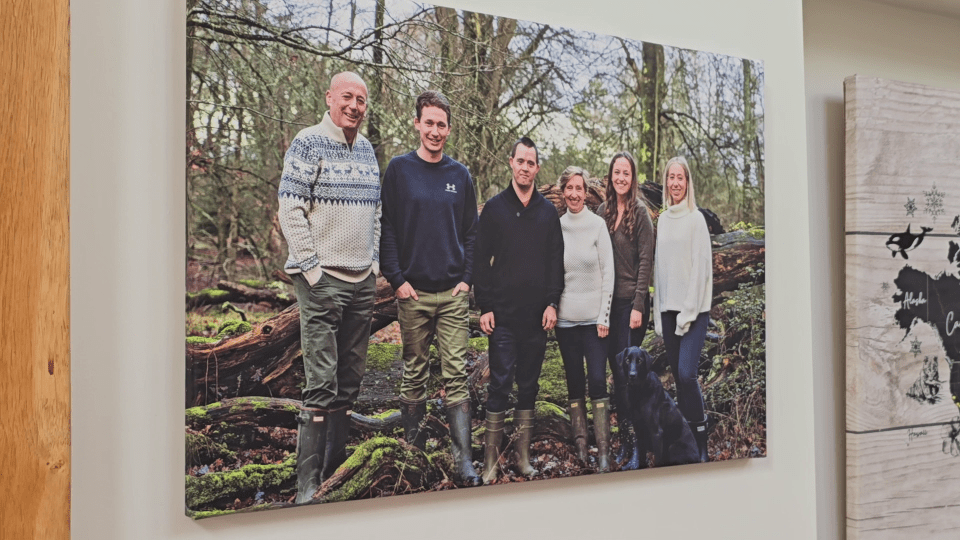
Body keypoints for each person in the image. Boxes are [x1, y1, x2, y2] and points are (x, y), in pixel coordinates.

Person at [277, 71, 381, 503]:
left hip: (361, 281)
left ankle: (336, 474)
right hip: (322, 281)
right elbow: (290, 208)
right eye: (347, 97)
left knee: (350, 380)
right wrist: (313, 272)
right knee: (320, 381)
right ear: (330, 98)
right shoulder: (307, 142)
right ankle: (307, 485)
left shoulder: (369, 150)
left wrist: (374, 263)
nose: (354, 105)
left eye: (361, 99)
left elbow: (376, 213)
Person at [379, 90, 481, 487]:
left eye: (442, 124)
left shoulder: (460, 176)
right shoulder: (400, 170)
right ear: (417, 124)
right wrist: (397, 280)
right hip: (413, 294)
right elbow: (387, 228)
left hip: (452, 294)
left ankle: (463, 461)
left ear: (448, 129)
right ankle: (413, 455)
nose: (435, 131)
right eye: (429, 123)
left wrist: (466, 280)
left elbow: (471, 233)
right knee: (414, 374)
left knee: (457, 374)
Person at [473, 137, 564, 483]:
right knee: (499, 385)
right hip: (504, 319)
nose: (525, 167)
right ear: (511, 162)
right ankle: (491, 462)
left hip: (536, 319)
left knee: (528, 386)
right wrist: (485, 306)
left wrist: (553, 302)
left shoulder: (547, 212)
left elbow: (556, 261)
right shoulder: (495, 209)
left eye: (531, 163)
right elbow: (481, 260)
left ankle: (523, 457)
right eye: (520, 161)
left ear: (537, 168)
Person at [595, 151, 655, 470]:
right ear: (610, 176)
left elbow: (646, 261)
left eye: (626, 173)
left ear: (632, 178)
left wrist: (638, 305)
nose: (621, 177)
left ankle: (638, 449)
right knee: (616, 380)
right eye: (616, 172)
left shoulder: (641, 213)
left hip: (631, 306)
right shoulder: (602, 211)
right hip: (607, 305)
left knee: (629, 378)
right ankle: (624, 444)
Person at [553, 166, 615, 471]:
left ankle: (603, 450)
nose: (575, 194)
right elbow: (551, 274)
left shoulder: (597, 226)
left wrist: (604, 315)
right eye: (570, 188)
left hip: (594, 322)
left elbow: (609, 275)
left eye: (580, 188)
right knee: (574, 383)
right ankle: (581, 446)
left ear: (586, 192)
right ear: (562, 191)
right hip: (565, 322)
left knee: (598, 381)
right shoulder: (556, 226)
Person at [653, 156, 712, 463]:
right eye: (671, 178)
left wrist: (687, 315)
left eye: (680, 178)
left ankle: (701, 439)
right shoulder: (662, 219)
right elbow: (659, 271)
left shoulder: (695, 219)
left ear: (688, 183)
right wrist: (659, 315)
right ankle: (686, 440)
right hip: (668, 310)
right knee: (677, 378)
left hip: (694, 312)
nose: (675, 183)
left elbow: (701, 271)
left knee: (688, 375)